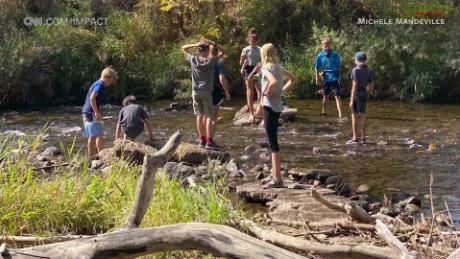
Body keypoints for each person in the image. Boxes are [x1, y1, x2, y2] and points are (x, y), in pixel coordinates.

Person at [259, 43, 297, 188]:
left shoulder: (265, 68)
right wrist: (281, 91)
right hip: (277, 107)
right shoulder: (279, 68)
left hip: (269, 106)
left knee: (272, 142)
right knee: (272, 141)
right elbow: (294, 79)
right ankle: (274, 174)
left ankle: (277, 178)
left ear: (263, 54)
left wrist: (268, 90)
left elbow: (273, 81)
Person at [181, 39, 227, 150]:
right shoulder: (211, 61)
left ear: (198, 50)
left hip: (195, 92)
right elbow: (224, 51)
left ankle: (202, 140)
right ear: (208, 50)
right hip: (207, 92)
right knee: (209, 116)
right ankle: (209, 142)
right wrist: (214, 43)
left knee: (199, 115)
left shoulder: (193, 60)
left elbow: (183, 48)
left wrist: (196, 44)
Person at [82, 67, 118, 159]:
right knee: (98, 135)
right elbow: (92, 98)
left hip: (86, 111)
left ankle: (90, 157)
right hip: (91, 112)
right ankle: (102, 156)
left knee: (92, 136)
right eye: (111, 81)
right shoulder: (100, 84)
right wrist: (97, 112)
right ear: (107, 77)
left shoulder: (96, 83)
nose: (110, 84)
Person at [347, 51, 374, 145]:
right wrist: (368, 95)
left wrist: (351, 99)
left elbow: (354, 85)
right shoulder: (369, 70)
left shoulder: (355, 70)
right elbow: (371, 84)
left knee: (354, 116)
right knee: (363, 116)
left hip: (357, 94)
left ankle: (355, 138)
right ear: (365, 59)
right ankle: (363, 138)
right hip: (364, 94)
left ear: (357, 59)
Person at [315, 38, 345, 121]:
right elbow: (317, 67)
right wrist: (317, 78)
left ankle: (340, 115)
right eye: (324, 46)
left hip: (335, 78)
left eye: (327, 45)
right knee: (325, 95)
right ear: (322, 46)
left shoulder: (335, 54)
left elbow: (338, 66)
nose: (326, 47)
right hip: (326, 78)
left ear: (330, 45)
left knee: (337, 96)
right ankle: (324, 112)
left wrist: (339, 77)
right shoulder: (320, 55)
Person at [240, 28, 261, 121]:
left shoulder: (260, 49)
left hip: (258, 69)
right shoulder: (246, 49)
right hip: (248, 69)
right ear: (249, 41)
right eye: (252, 41)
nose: (253, 42)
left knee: (259, 89)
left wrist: (260, 68)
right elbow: (242, 62)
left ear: (257, 41)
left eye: (255, 41)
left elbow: (262, 61)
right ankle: (251, 112)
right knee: (250, 89)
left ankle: (259, 109)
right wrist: (242, 64)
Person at [211, 47, 231, 140]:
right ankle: (210, 140)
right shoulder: (219, 62)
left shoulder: (202, 60)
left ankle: (202, 139)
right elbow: (222, 79)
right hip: (215, 90)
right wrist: (226, 92)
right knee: (213, 118)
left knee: (204, 116)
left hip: (203, 90)